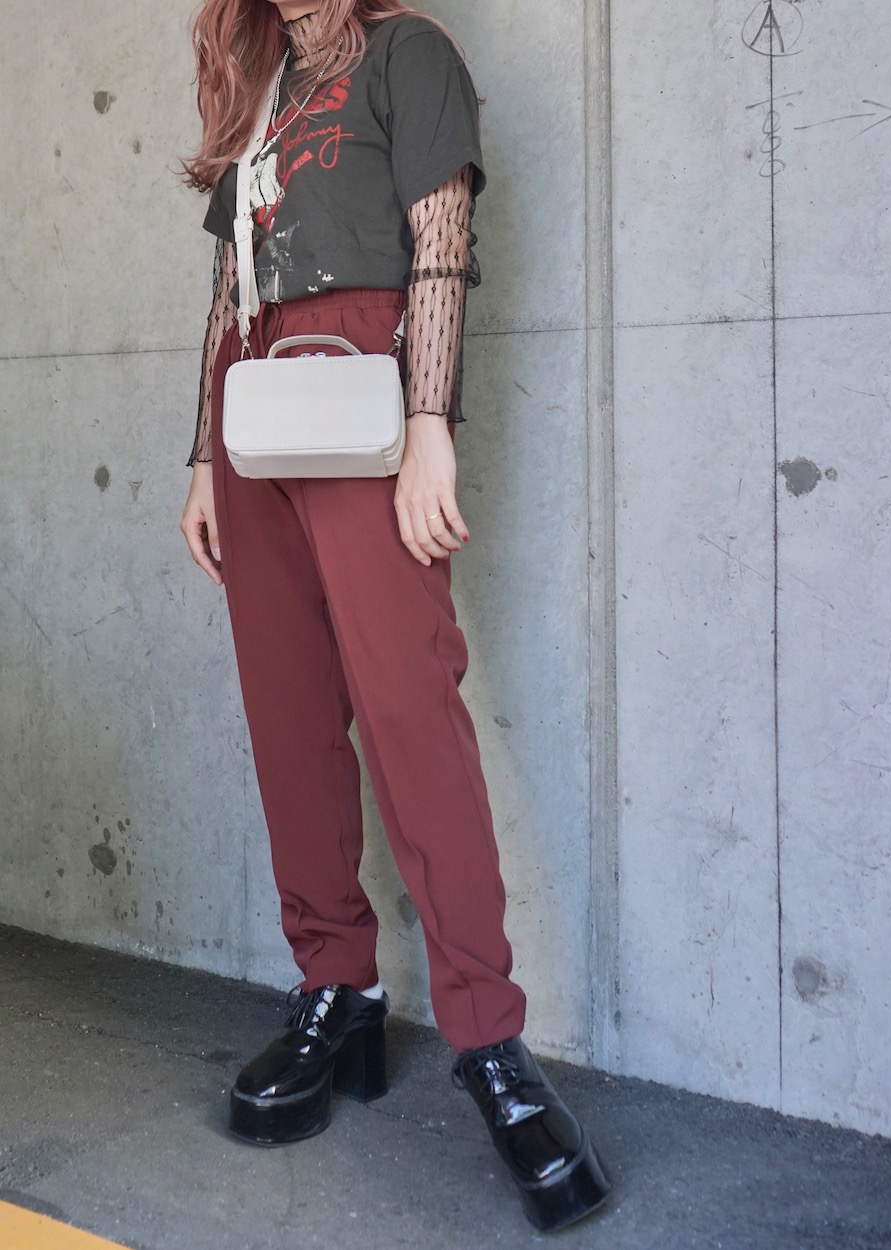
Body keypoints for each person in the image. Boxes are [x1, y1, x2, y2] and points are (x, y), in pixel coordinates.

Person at [179, 0, 610, 1233]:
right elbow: (228, 283)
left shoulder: (407, 54)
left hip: (365, 383)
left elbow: (440, 235)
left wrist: (430, 424)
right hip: (254, 404)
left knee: (410, 713)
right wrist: (199, 458)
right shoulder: (264, 85)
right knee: (289, 720)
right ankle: (338, 990)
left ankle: (489, 1039)